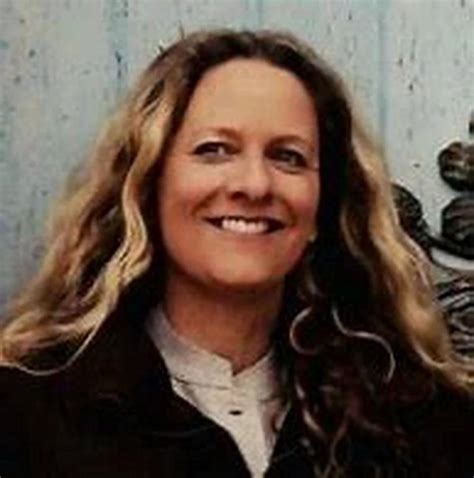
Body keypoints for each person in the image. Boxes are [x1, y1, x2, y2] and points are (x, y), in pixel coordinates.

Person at [0, 29, 472, 478]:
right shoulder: (27, 415)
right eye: (215, 150)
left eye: (287, 157)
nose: (254, 184)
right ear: (147, 187)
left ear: (321, 209)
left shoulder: (422, 424)